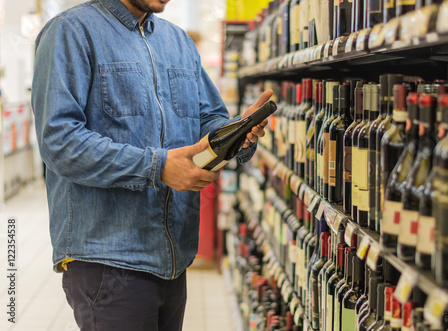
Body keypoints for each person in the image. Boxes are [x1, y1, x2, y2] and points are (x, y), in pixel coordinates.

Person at [31, 0, 272, 330]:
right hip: (109, 259)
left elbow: (207, 119)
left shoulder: (178, 41)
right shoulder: (72, 32)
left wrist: (236, 133)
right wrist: (156, 167)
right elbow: (60, 141)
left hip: (174, 256)